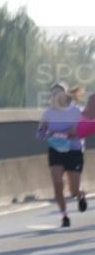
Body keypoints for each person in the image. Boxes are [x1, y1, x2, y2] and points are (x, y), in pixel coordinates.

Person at [37, 83, 86, 227]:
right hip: (56, 151)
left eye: (59, 93)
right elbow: (39, 134)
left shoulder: (77, 111)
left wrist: (75, 130)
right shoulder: (47, 114)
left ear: (65, 95)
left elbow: (87, 128)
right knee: (57, 185)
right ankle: (64, 216)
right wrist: (46, 132)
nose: (56, 96)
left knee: (73, 190)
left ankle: (80, 195)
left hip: (74, 151)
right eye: (53, 93)